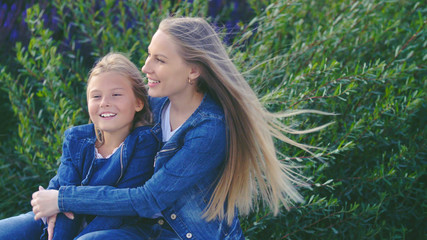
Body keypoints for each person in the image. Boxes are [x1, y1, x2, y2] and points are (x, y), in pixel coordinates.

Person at [31, 17, 332, 240]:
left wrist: (63, 198)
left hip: (184, 235)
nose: (146, 67)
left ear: (192, 70)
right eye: (149, 54)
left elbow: (148, 199)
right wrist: (56, 191)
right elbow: (98, 131)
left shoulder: (209, 130)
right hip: (144, 228)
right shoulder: (156, 103)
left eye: (159, 59)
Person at [0, 53, 159, 240]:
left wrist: (60, 200)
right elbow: (63, 198)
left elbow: (120, 210)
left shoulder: (143, 143)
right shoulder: (76, 139)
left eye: (116, 94)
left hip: (121, 227)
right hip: (65, 220)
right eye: (96, 96)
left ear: (139, 102)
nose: (104, 103)